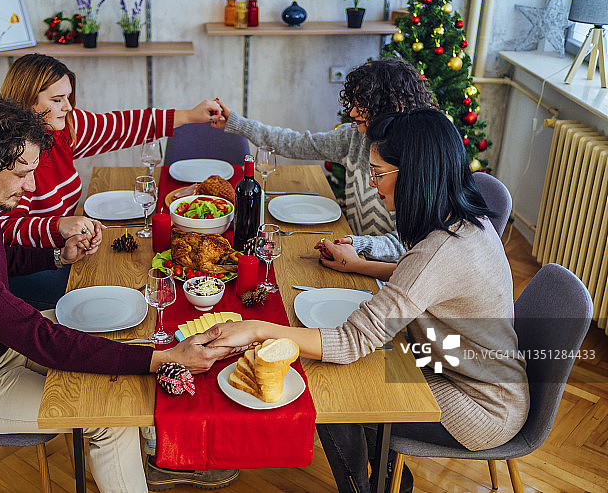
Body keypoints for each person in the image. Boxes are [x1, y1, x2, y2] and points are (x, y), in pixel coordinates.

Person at [0, 95, 230, 493]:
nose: (31, 185)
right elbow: (41, 340)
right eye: (21, 174)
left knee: (118, 338)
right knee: (110, 418)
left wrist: (56, 255)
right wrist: (168, 357)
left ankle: (154, 461)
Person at [209, 109, 529, 493]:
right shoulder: (463, 220)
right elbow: (424, 283)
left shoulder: (443, 250)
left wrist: (256, 329)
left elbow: (351, 341)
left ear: (413, 174)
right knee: (343, 372)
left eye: (378, 174)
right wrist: (361, 265)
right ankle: (387, 473)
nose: (374, 186)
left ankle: (370, 486)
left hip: (479, 404)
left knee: (332, 393)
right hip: (455, 365)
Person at [0, 53, 224, 310]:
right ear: (27, 102)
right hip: (29, 269)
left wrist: (190, 116)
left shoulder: (61, 129)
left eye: (68, 98)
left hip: (67, 249)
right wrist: (58, 226)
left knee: (137, 275)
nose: (68, 107)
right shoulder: (11, 155)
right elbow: (3, 232)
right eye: (58, 99)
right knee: (125, 289)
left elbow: (120, 126)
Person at [212, 58, 436, 276]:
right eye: (354, 103)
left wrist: (359, 245)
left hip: (391, 275)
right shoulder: (354, 138)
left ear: (386, 107)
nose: (352, 113)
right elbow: (296, 143)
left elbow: (410, 246)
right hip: (349, 256)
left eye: (362, 105)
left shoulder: (416, 159)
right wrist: (237, 123)